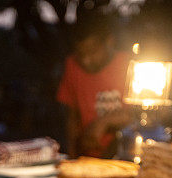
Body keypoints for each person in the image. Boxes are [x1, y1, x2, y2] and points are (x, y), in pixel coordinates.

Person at [56, 11, 131, 157]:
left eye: (92, 52)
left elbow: (142, 115)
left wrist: (104, 121)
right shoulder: (72, 65)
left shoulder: (129, 65)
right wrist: (73, 156)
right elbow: (72, 116)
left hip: (123, 156)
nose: (86, 60)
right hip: (88, 157)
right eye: (80, 54)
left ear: (109, 41)